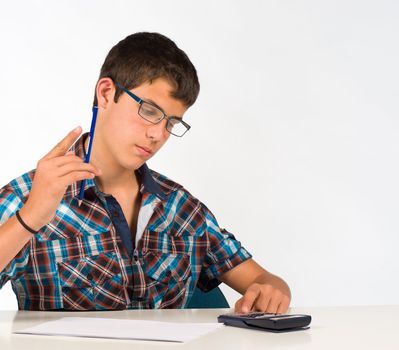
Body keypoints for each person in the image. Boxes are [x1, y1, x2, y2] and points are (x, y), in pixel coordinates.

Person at [0, 32, 291, 312]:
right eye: (150, 111)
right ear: (106, 93)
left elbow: (263, 281)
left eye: (172, 123)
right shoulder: (28, 197)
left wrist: (273, 290)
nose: (158, 134)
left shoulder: (182, 209)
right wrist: (31, 218)